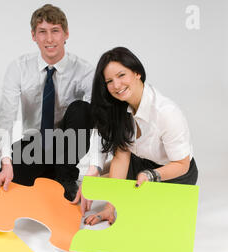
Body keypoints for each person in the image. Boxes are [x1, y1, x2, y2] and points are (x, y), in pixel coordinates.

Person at [73, 47, 198, 225]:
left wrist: (151, 175)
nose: (116, 86)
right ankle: (95, 183)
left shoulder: (167, 113)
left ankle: (112, 182)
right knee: (94, 182)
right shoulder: (121, 109)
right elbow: (121, 157)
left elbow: (182, 164)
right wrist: (109, 207)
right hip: (140, 163)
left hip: (174, 173)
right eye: (109, 81)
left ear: (137, 72)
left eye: (121, 75)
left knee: (147, 213)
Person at [0, 3, 101, 201]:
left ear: (66, 34)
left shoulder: (84, 71)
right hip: (35, 144)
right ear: (33, 36)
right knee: (5, 189)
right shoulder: (19, 68)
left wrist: (95, 166)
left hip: (68, 144)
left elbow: (100, 120)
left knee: (82, 108)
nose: (49, 39)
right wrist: (6, 163)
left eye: (55, 31)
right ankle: (49, 174)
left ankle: (65, 173)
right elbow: (5, 117)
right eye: (42, 32)